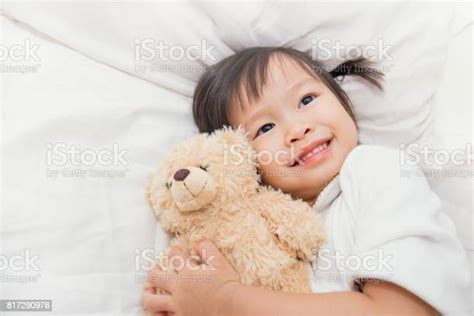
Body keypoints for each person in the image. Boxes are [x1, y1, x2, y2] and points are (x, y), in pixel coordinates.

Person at [142, 47, 471, 315]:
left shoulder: (375, 170)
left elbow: (403, 311)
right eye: (265, 128)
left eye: (307, 100)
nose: (298, 129)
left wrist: (225, 301)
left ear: (342, 100)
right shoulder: (266, 238)